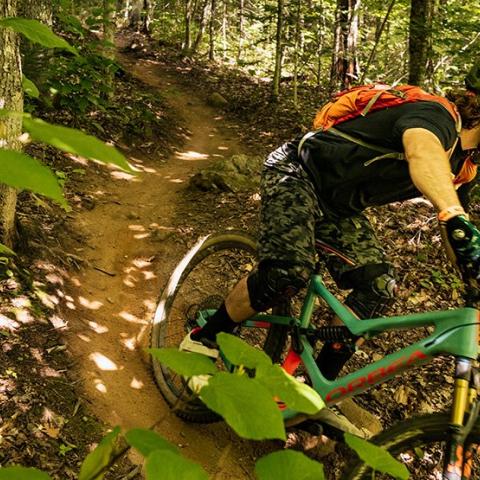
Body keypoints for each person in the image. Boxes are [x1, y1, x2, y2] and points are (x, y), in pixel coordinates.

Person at [180, 64, 480, 383]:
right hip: (297, 172)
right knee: (287, 272)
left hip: (339, 208)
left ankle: (312, 392)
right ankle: (204, 338)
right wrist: (453, 214)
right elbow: (423, 153)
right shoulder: (437, 117)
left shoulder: (465, 164)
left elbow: (452, 231)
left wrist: (470, 271)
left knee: (378, 288)